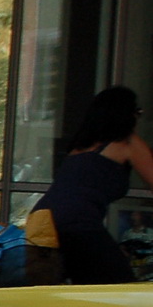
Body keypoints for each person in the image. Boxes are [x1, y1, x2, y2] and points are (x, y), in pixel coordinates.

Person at [34, 86, 153, 284]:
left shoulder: (80, 147)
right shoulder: (127, 142)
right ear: (126, 115)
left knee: (77, 287)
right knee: (119, 286)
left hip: (42, 221)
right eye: (137, 112)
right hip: (77, 222)